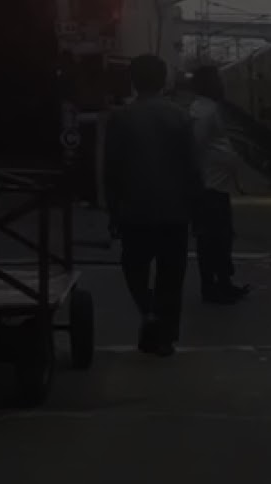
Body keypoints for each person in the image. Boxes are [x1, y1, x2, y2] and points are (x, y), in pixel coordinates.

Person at [102, 54, 202, 357]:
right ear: (164, 81)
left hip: (134, 209)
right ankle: (165, 336)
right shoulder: (180, 116)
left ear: (133, 80)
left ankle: (149, 313)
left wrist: (112, 209)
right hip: (174, 210)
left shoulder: (120, 118)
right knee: (172, 274)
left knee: (133, 267)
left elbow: (112, 169)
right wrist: (196, 208)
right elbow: (192, 167)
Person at [189, 65, 250, 304]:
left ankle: (221, 283)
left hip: (214, 186)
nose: (222, 85)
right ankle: (214, 287)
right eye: (218, 80)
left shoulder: (205, 109)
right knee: (214, 239)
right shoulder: (204, 111)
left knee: (219, 238)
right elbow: (197, 145)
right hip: (209, 188)